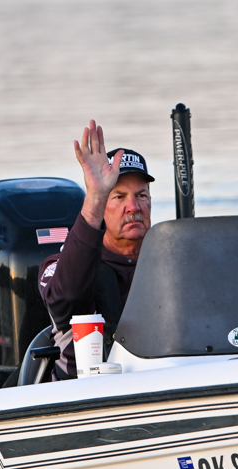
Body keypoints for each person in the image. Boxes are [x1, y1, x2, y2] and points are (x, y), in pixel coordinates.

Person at [38, 120, 154, 379]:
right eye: (119, 197)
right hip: (87, 393)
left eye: (141, 195)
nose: (133, 207)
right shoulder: (60, 266)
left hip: (165, 381)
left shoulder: (171, 263)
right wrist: (96, 197)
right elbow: (65, 301)